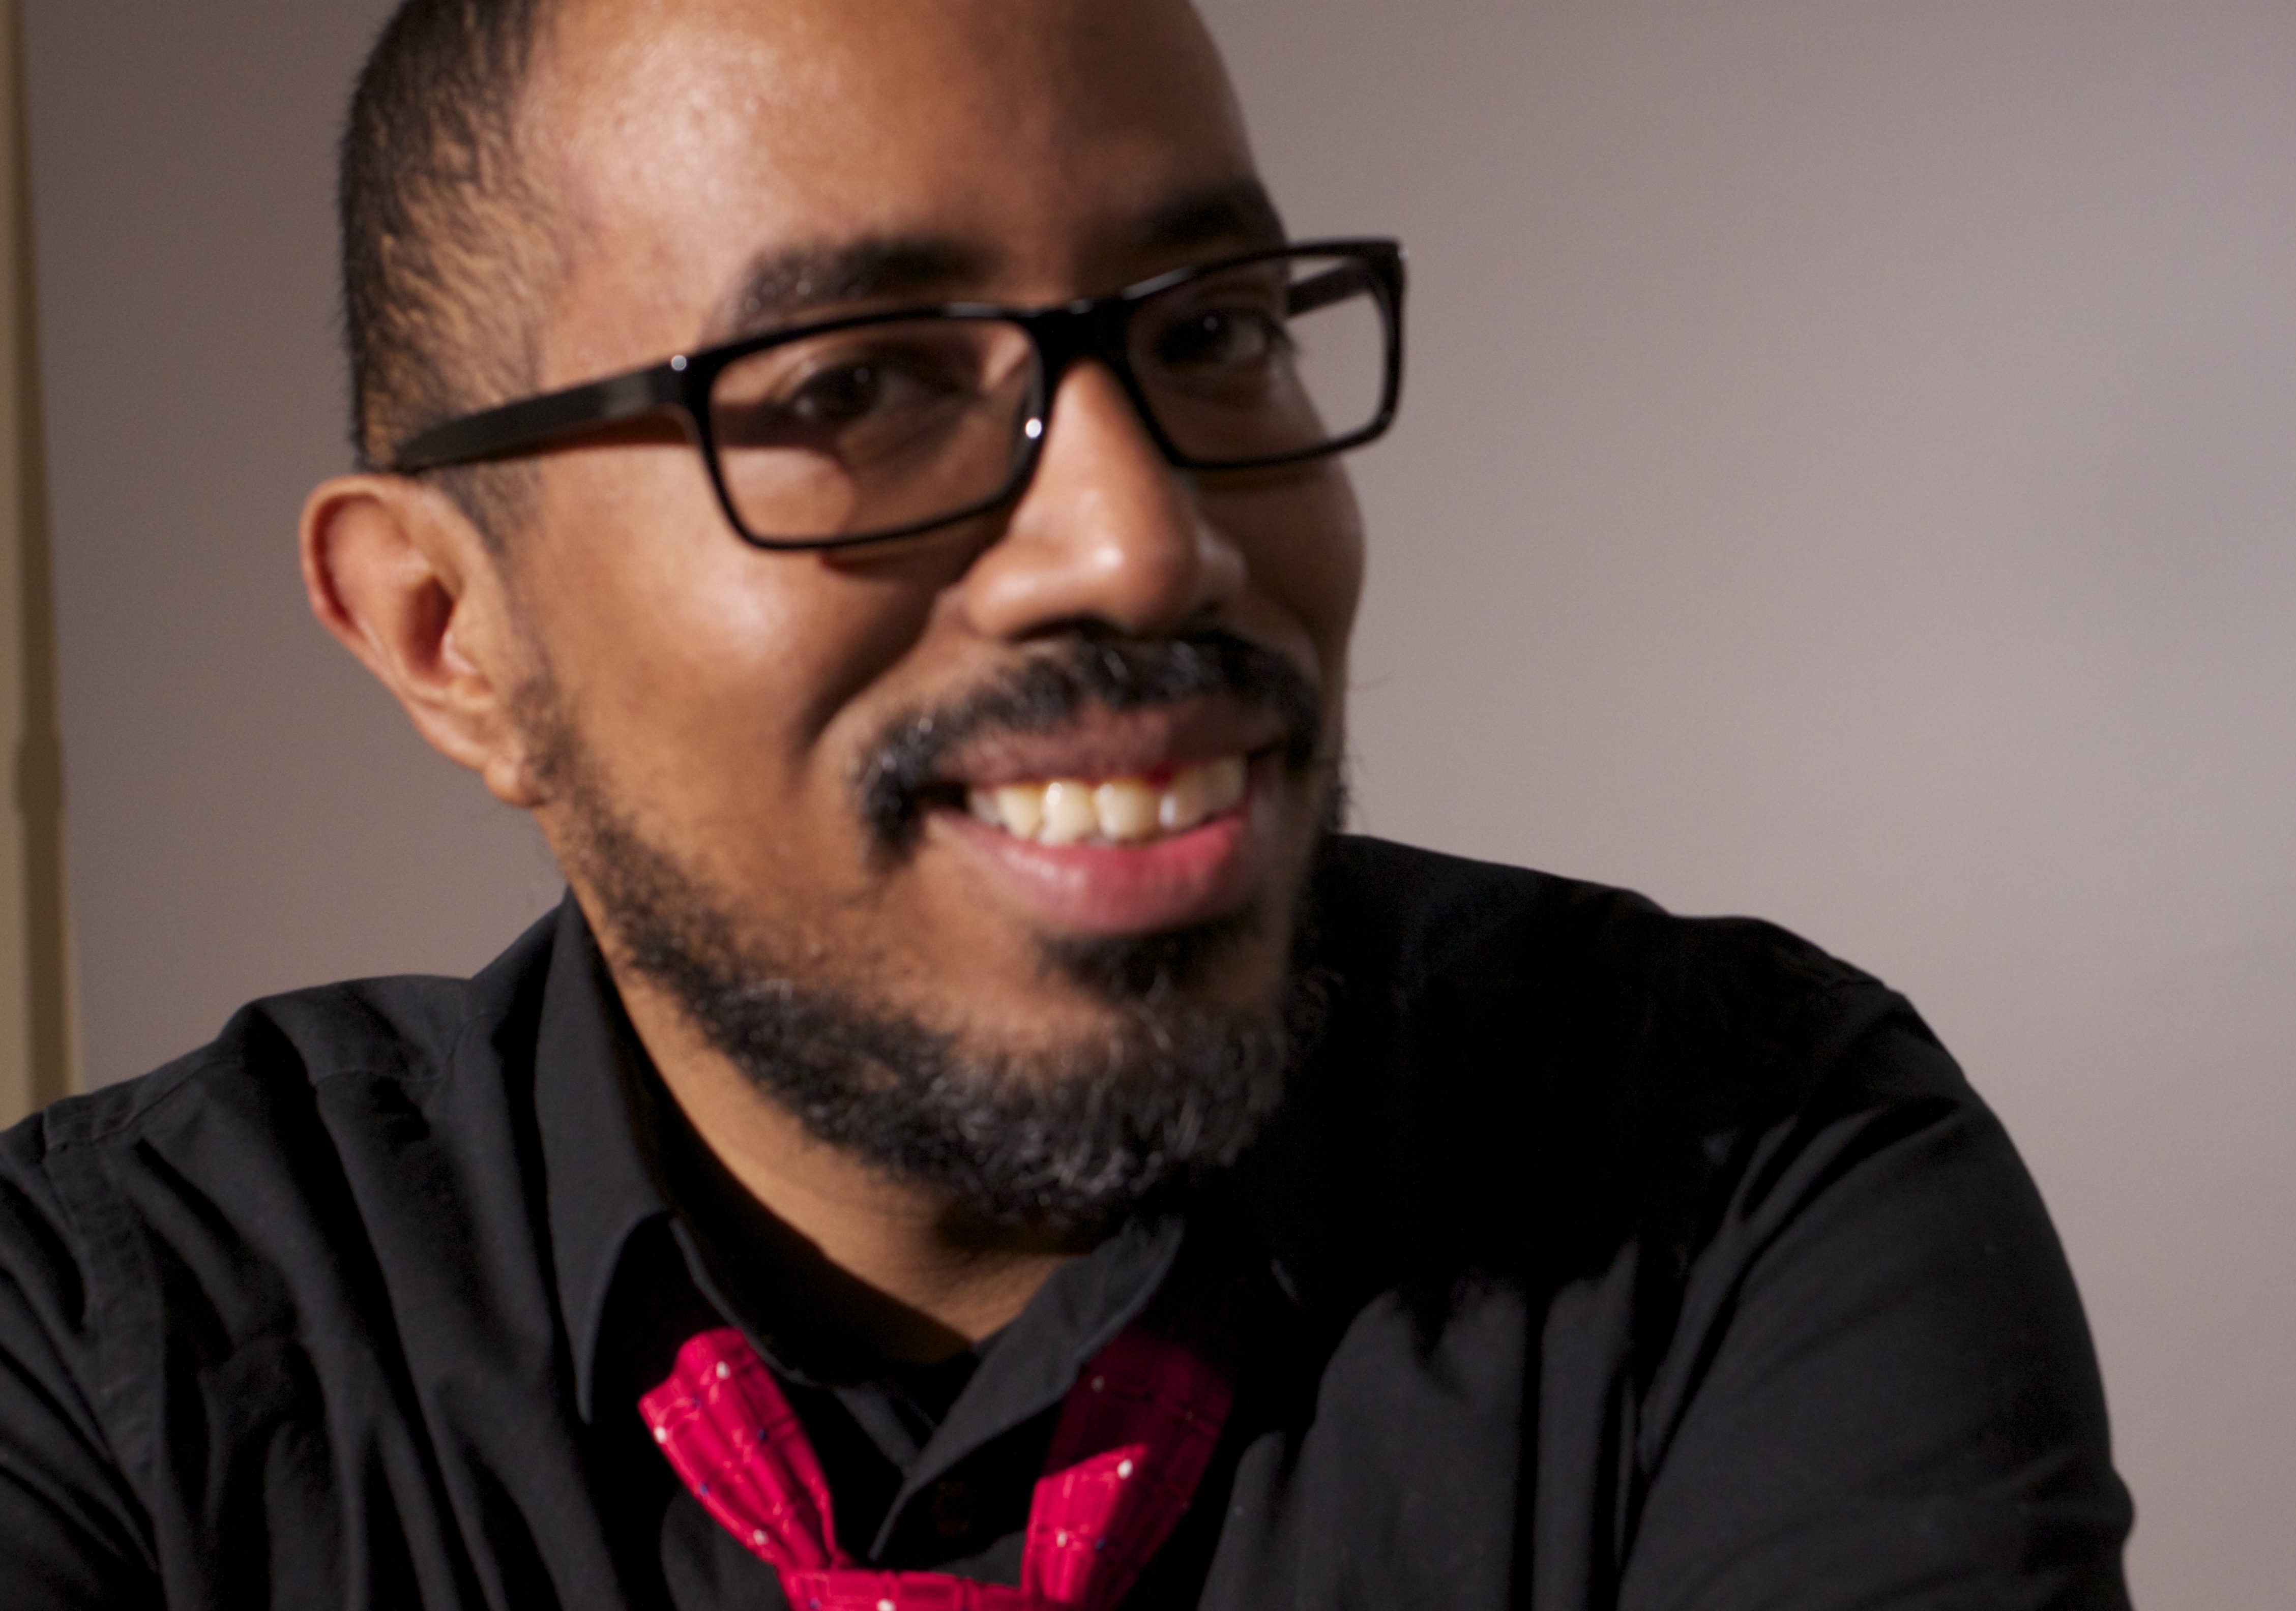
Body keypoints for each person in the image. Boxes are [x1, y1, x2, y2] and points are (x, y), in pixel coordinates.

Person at [0, 1, 2134, 1606]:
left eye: (1211, 332)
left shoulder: (1744, 1186)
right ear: (449, 632)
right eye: (852, 386)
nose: (1145, 540)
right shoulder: (97, 1364)